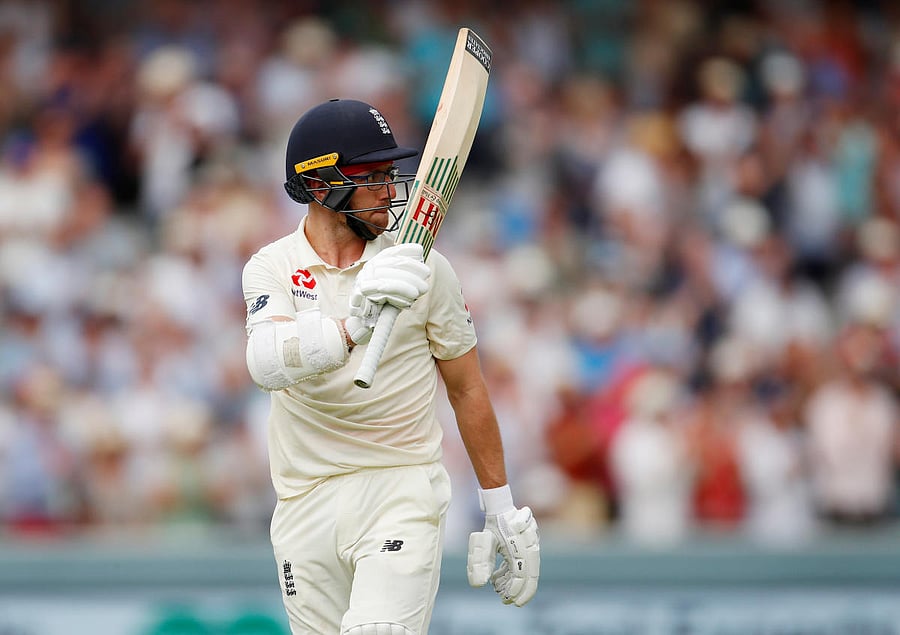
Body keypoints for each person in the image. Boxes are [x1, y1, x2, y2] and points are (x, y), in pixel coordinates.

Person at [241, 98, 540, 635]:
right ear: (318, 185)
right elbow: (266, 363)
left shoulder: (424, 267)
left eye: (390, 172)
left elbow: (467, 388)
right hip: (303, 501)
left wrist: (500, 507)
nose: (388, 187)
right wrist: (353, 325)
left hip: (399, 488)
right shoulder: (271, 266)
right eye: (371, 175)